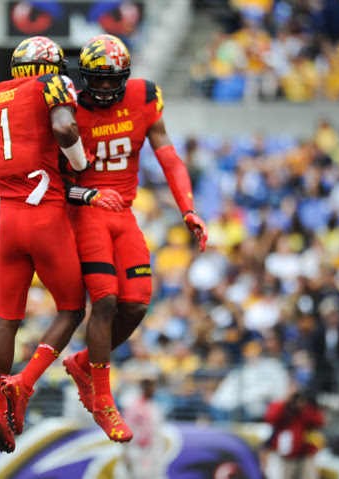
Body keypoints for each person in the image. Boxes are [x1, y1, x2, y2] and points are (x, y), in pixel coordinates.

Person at [0, 36, 123, 453]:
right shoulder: (52, 85)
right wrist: (78, 164)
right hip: (45, 218)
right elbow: (63, 126)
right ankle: (24, 384)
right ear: (50, 66)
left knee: (7, 320)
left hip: (7, 220)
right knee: (73, 308)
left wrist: (18, 155)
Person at [61, 34, 207, 441]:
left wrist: (188, 209)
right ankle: (104, 401)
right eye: (98, 80)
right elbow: (57, 184)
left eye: (113, 80)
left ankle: (83, 364)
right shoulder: (67, 108)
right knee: (105, 299)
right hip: (86, 211)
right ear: (84, 76)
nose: (105, 88)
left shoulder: (144, 97)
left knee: (138, 303)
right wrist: (89, 194)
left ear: (126, 78)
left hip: (123, 212)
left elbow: (170, 157)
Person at [264, 390, 325, 479]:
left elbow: (319, 422)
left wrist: (307, 407)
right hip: (285, 457)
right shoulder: (283, 409)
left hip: (304, 454)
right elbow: (271, 417)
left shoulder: (306, 412)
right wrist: (285, 400)